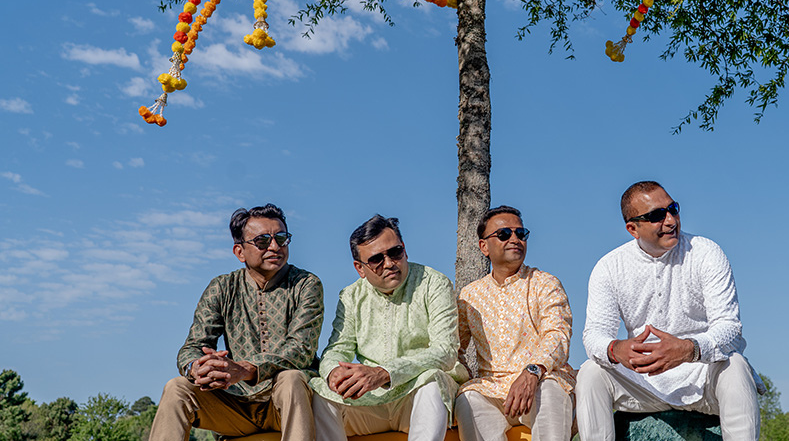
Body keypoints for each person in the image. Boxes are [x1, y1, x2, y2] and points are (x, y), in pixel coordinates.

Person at [577, 181, 762, 441]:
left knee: (735, 365)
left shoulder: (706, 252)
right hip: (642, 381)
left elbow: (730, 328)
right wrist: (615, 349)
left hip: (702, 376)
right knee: (591, 372)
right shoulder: (609, 267)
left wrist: (688, 349)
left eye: (673, 209)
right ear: (632, 229)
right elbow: (594, 334)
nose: (671, 220)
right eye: (656, 215)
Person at [149, 203, 323, 441]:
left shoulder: (306, 284)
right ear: (239, 252)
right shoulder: (222, 288)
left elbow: (301, 349)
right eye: (263, 241)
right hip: (235, 405)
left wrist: (246, 369)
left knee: (291, 378)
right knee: (177, 388)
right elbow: (193, 346)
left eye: (281, 238)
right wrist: (197, 367)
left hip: (285, 404)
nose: (275, 247)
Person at [311, 215, 467, 441]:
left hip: (415, 396)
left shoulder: (434, 283)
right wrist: (334, 373)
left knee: (432, 380)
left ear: (405, 250)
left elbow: (446, 351)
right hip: (369, 399)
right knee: (321, 392)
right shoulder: (351, 296)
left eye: (395, 252)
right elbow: (337, 348)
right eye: (376, 259)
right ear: (360, 268)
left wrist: (384, 373)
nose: (389, 263)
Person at [455, 205, 575, 441]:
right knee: (468, 398)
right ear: (483, 246)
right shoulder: (470, 295)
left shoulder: (545, 283)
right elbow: (454, 348)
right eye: (504, 234)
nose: (514, 239)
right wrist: (464, 374)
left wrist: (532, 372)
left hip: (541, 381)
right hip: (491, 388)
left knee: (551, 389)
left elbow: (558, 334)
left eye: (520, 234)